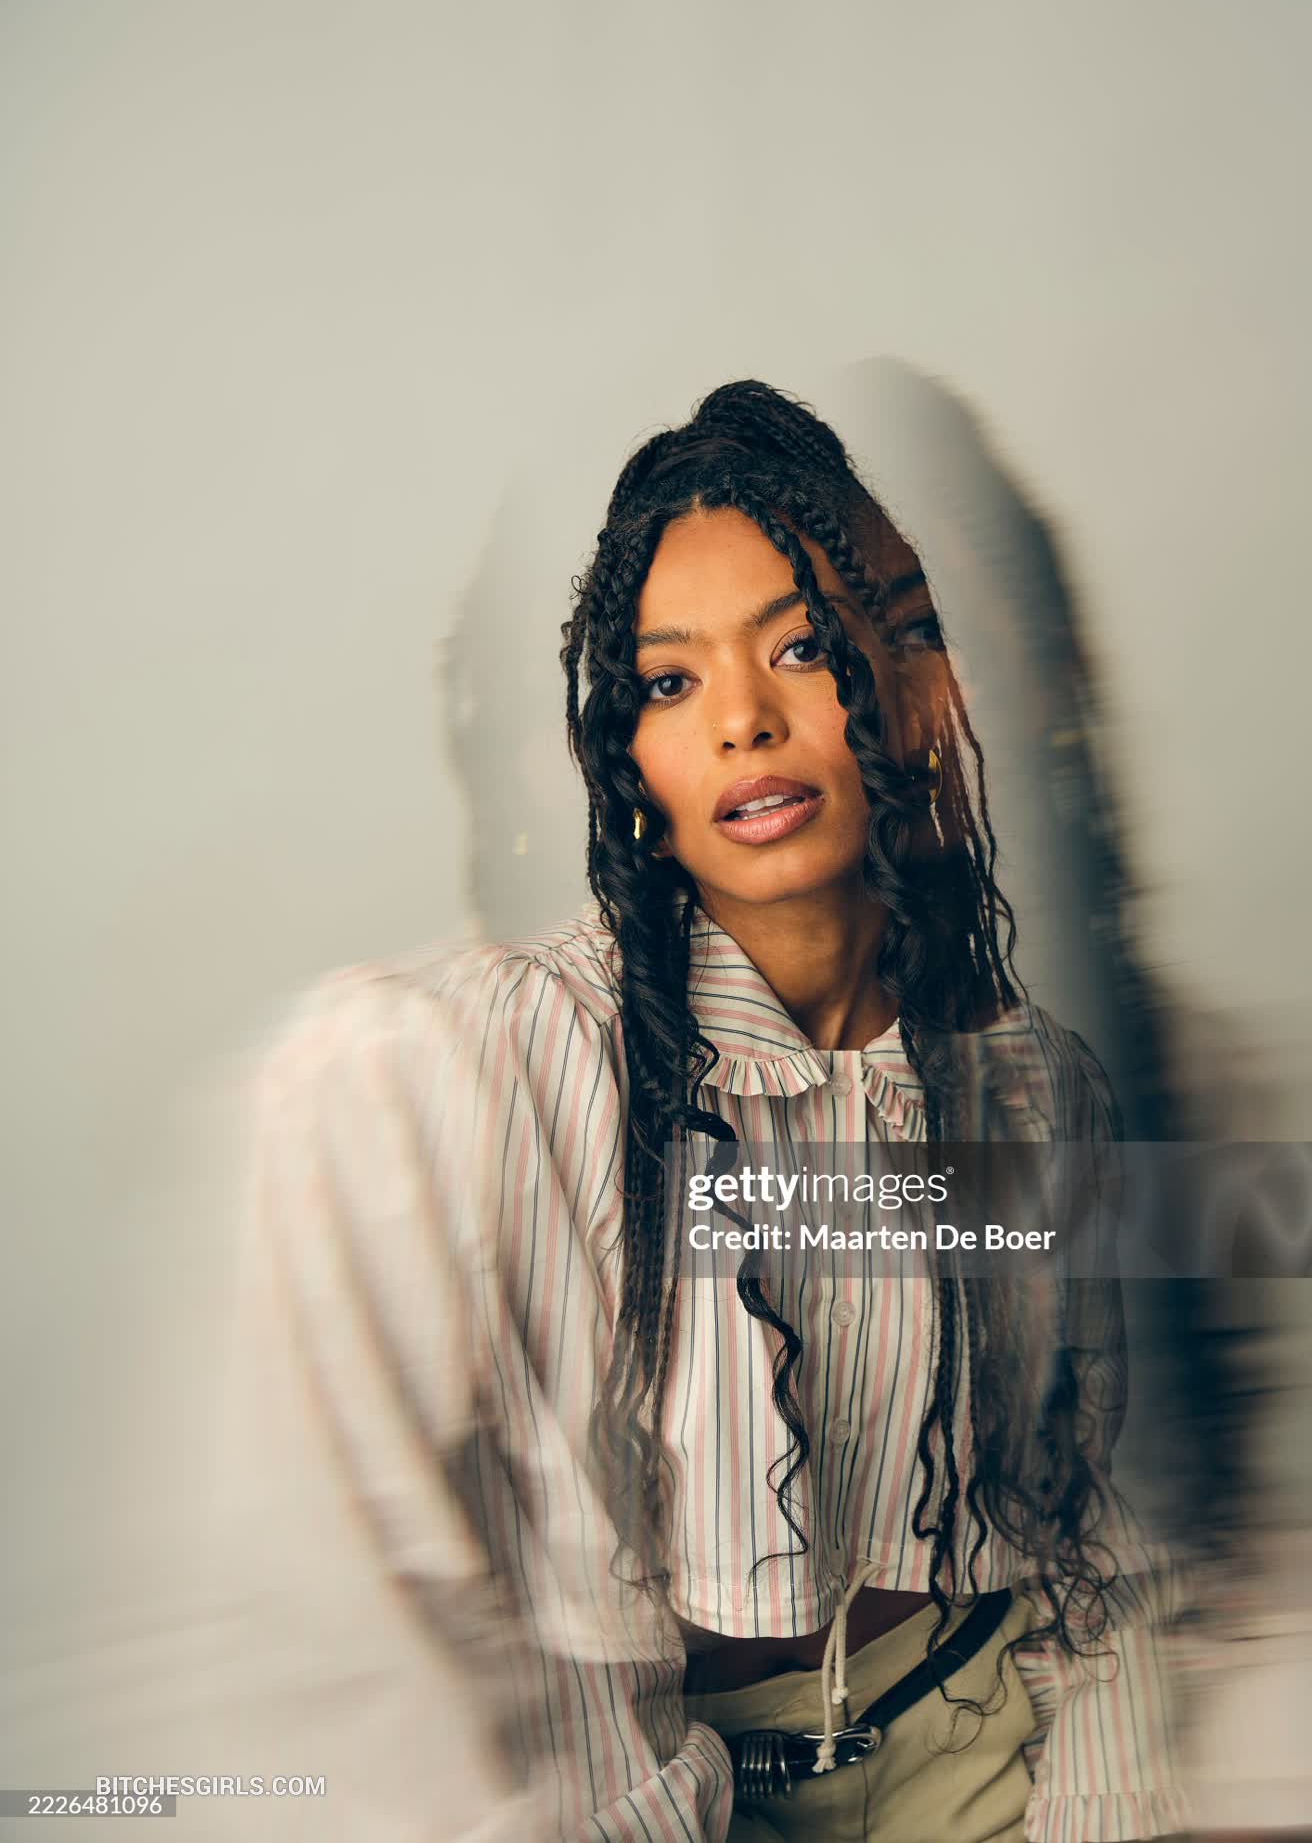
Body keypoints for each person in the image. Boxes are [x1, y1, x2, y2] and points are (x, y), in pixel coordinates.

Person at [213, 381, 1196, 1842]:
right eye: (669, 683)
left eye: (802, 648)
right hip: (673, 1793)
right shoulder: (498, 1065)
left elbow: (1097, 1529)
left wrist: (1104, 1807)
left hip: (979, 1740)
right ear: (623, 750)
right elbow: (420, 1634)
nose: (743, 720)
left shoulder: (1033, 1089)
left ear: (913, 685)